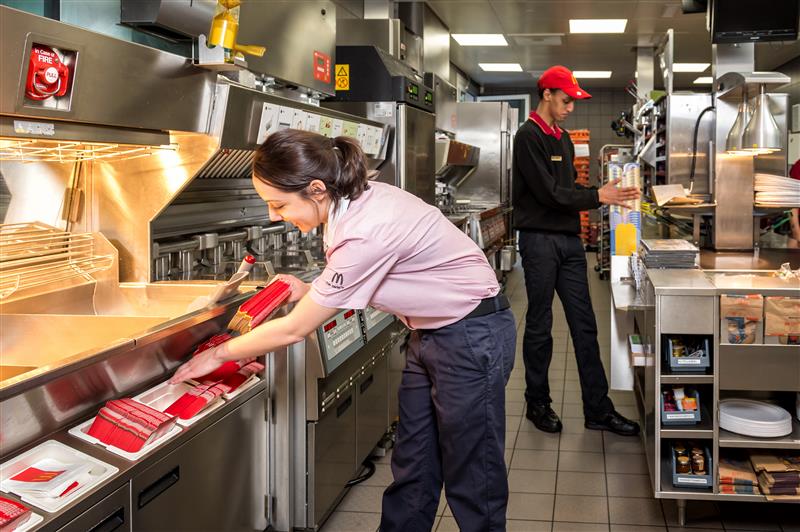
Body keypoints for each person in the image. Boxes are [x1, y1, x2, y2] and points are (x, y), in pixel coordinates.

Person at [171, 129, 516, 531]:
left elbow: (294, 330)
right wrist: (309, 288)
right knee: (415, 460)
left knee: (472, 472)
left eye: (278, 203)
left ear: (316, 189)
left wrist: (217, 354)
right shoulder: (351, 204)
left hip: (470, 336)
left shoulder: (367, 226)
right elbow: (355, 276)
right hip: (432, 335)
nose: (272, 215)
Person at [512, 65, 641, 436]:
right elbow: (549, 194)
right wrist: (597, 196)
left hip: (569, 242)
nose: (570, 107)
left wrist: (602, 189)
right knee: (540, 325)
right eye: (566, 100)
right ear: (547, 95)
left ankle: (597, 409)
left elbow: (569, 191)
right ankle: (538, 403)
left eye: (573, 102)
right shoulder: (528, 137)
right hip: (538, 242)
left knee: (585, 326)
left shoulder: (564, 140)